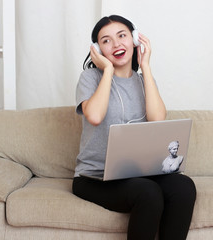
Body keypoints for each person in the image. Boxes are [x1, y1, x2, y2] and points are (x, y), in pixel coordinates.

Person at [72, 15, 196, 240]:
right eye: (106, 40)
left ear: (135, 40)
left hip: (135, 174)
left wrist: (146, 67)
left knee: (183, 186)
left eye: (122, 36)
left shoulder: (143, 81)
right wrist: (107, 70)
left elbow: (157, 119)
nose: (117, 44)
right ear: (97, 49)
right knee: (148, 193)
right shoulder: (90, 78)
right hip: (94, 178)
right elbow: (95, 116)